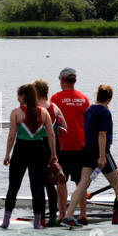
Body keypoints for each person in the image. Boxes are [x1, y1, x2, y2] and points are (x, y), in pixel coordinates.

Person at [61, 85, 118, 228]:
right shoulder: (104, 112)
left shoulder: (89, 109)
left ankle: (69, 215)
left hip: (87, 151)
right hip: (101, 153)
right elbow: (102, 135)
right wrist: (102, 157)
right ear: (109, 98)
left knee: (83, 184)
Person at [1, 84, 57, 230]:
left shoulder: (16, 113)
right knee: (37, 187)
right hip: (39, 151)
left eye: (18, 95)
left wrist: (7, 154)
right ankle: (37, 223)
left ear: (23, 96)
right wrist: (54, 154)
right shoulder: (44, 112)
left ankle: (6, 221)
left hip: (21, 150)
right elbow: (51, 134)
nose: (17, 98)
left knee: (13, 186)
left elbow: (12, 136)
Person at [50, 68, 90, 224]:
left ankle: (62, 215)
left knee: (61, 182)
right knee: (81, 183)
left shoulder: (56, 98)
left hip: (62, 147)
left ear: (61, 80)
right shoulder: (84, 99)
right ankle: (83, 214)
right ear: (75, 81)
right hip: (81, 147)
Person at [33, 79, 68, 227]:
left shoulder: (33, 108)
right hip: (54, 146)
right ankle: (53, 217)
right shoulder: (54, 108)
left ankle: (40, 218)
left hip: (37, 146)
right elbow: (64, 128)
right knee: (50, 183)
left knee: (37, 184)